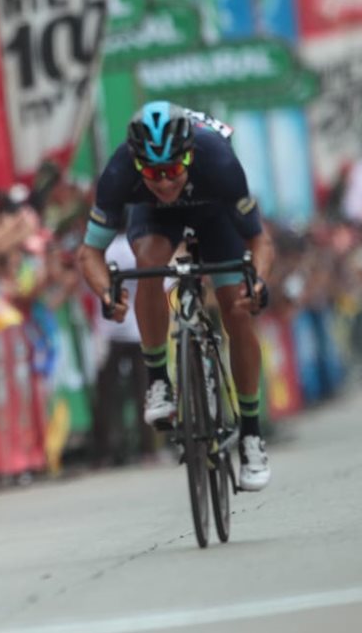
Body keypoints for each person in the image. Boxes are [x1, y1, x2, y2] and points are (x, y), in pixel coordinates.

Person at [77, 101, 274, 491]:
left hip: (216, 215)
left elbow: (258, 238)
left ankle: (251, 434)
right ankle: (159, 382)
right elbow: (89, 254)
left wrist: (259, 282)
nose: (164, 182)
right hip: (155, 220)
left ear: (189, 155)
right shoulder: (118, 172)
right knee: (148, 262)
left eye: (172, 170)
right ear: (135, 164)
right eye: (151, 172)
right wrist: (106, 292)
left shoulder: (217, 161)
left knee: (236, 307)